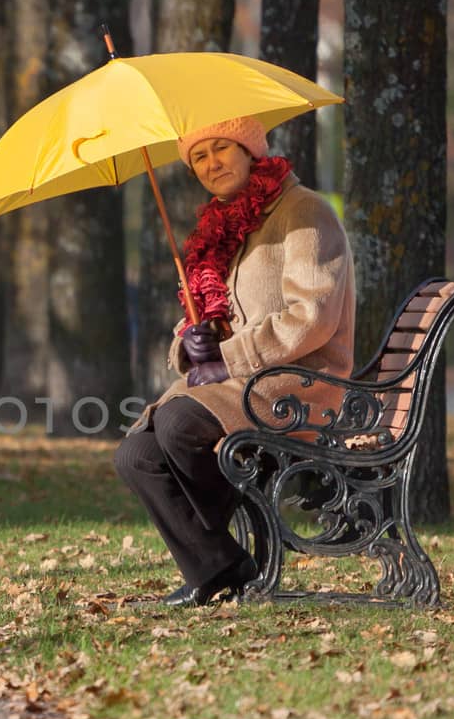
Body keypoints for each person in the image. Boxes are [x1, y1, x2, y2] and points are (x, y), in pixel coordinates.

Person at [115, 116, 355, 608]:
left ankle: (223, 565)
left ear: (251, 150)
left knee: (181, 423)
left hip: (301, 382)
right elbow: (215, 317)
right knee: (136, 454)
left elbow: (313, 317)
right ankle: (222, 567)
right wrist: (193, 341)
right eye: (198, 157)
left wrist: (227, 357)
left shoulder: (304, 211)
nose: (211, 163)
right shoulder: (222, 228)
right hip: (242, 382)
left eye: (222, 147)